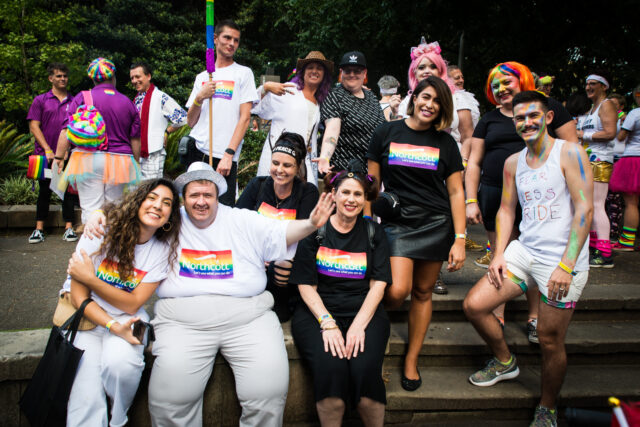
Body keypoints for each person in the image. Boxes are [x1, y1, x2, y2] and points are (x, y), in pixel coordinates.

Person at [463, 91, 593, 427]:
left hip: (563, 260)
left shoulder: (570, 153)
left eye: (533, 115)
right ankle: (505, 361)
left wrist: (566, 265)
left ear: (548, 117)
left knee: (550, 340)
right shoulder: (513, 162)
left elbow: (585, 209)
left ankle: (547, 407)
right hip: (525, 251)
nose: (526, 123)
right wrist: (499, 254)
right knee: (475, 305)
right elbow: (506, 210)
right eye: (520, 118)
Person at [465, 62, 576, 341]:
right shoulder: (489, 119)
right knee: (500, 252)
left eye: (506, 82)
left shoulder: (548, 107)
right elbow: (475, 161)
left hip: (540, 197)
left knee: (536, 254)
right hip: (494, 193)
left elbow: (572, 149)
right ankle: (497, 311)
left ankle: (535, 317)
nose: (501, 89)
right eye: (494, 86)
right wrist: (471, 199)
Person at [367, 76, 466, 391]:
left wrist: (461, 239)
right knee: (396, 291)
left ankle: (411, 359)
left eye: (437, 101)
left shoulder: (446, 143)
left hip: (437, 223)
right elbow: (371, 186)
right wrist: (368, 226)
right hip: (398, 222)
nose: (429, 105)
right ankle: (370, 339)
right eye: (426, 97)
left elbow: (455, 193)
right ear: (414, 97)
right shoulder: (386, 132)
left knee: (423, 293)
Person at [62, 178, 181, 426]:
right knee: (85, 397)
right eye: (151, 198)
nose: (157, 205)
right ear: (138, 202)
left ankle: (118, 420)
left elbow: (132, 303)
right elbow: (79, 297)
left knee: (122, 366)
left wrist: (91, 278)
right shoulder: (100, 231)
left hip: (131, 317)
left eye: (166, 203)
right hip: (86, 317)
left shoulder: (163, 248)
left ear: (170, 215)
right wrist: (113, 326)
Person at [289, 161, 391, 426]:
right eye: (345, 192)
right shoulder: (315, 232)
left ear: (365, 198)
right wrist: (328, 322)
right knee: (332, 372)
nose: (351, 199)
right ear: (333, 194)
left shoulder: (374, 232)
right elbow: (304, 284)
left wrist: (358, 325)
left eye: (358, 194)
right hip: (318, 312)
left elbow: (379, 284)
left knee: (365, 374)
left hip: (363, 311)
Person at [395, 40, 477, 294]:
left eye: (432, 65)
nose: (427, 70)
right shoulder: (408, 102)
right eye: (421, 67)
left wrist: (461, 164)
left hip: (445, 164)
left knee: (441, 216)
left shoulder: (459, 99)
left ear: (441, 68)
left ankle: (434, 271)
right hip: (411, 166)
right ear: (414, 74)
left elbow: (468, 135)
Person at [237, 132, 320, 321]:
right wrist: (258, 252)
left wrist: (273, 251)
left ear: (298, 167)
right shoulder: (257, 185)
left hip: (288, 260)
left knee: (283, 262)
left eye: (287, 165)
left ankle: (280, 301)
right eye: (275, 163)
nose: (279, 170)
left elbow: (306, 235)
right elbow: (237, 224)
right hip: (255, 257)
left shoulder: (307, 192)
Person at [54, 57, 141, 224]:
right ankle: (112, 247)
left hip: (88, 158)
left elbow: (66, 130)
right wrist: (135, 163)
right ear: (113, 76)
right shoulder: (128, 102)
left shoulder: (82, 97)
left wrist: (58, 157)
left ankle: (91, 246)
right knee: (114, 208)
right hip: (120, 160)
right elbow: (135, 139)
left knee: (91, 208)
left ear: (93, 78)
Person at [185, 19, 258, 205]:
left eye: (236, 40)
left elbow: (245, 118)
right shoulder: (202, 77)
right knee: (196, 207)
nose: (232, 43)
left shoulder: (243, 73)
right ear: (215, 39)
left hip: (224, 155)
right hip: (198, 150)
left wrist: (229, 154)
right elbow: (190, 122)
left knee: (223, 210)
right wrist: (199, 97)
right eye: (227, 38)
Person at [252, 51, 334, 186]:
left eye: (319, 68)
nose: (314, 71)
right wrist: (265, 88)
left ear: (324, 74)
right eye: (310, 68)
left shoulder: (321, 101)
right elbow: (254, 106)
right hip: (280, 157)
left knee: (302, 199)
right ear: (303, 71)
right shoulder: (289, 91)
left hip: (304, 161)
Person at [26, 62, 79, 243]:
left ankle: (69, 228)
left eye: (65, 76)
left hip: (68, 155)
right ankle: (38, 229)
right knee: (44, 191)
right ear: (51, 78)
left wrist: (66, 151)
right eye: (58, 76)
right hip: (44, 155)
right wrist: (49, 150)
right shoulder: (40, 100)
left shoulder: (74, 101)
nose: (63, 79)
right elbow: (34, 126)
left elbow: (77, 129)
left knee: (68, 191)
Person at [316, 51, 386, 175]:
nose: (352, 74)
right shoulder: (333, 96)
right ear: (341, 73)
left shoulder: (371, 96)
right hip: (344, 171)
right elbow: (332, 129)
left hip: (371, 170)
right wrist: (325, 157)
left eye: (357, 71)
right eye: (347, 71)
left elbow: (383, 128)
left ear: (364, 73)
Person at [577, 70, 618, 267]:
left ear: (604, 86)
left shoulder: (607, 105)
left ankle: (604, 252)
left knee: (598, 204)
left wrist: (582, 134)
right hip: (589, 161)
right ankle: (595, 247)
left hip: (600, 161)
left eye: (593, 83)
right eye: (587, 83)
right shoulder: (593, 108)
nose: (588, 87)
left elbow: (610, 133)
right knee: (591, 205)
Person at [130, 62, 188, 179]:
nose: (134, 81)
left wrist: (167, 131)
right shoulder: (136, 100)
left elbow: (183, 118)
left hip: (153, 153)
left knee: (151, 190)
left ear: (149, 76)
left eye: (138, 76)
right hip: (137, 154)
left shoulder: (160, 97)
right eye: (132, 78)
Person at [610, 86, 640, 251]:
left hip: (633, 159)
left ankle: (627, 241)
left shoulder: (635, 114)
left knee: (631, 203)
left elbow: (621, 136)